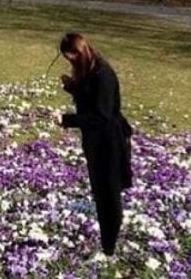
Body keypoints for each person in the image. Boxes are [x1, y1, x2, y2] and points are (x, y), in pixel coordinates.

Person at [53, 32, 132, 256]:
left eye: (72, 59)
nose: (71, 63)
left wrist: (66, 120)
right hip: (95, 142)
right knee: (100, 193)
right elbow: (90, 99)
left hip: (109, 142)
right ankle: (107, 241)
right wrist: (73, 87)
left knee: (110, 194)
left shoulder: (103, 75)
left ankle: (109, 247)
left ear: (81, 52)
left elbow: (101, 116)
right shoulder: (90, 72)